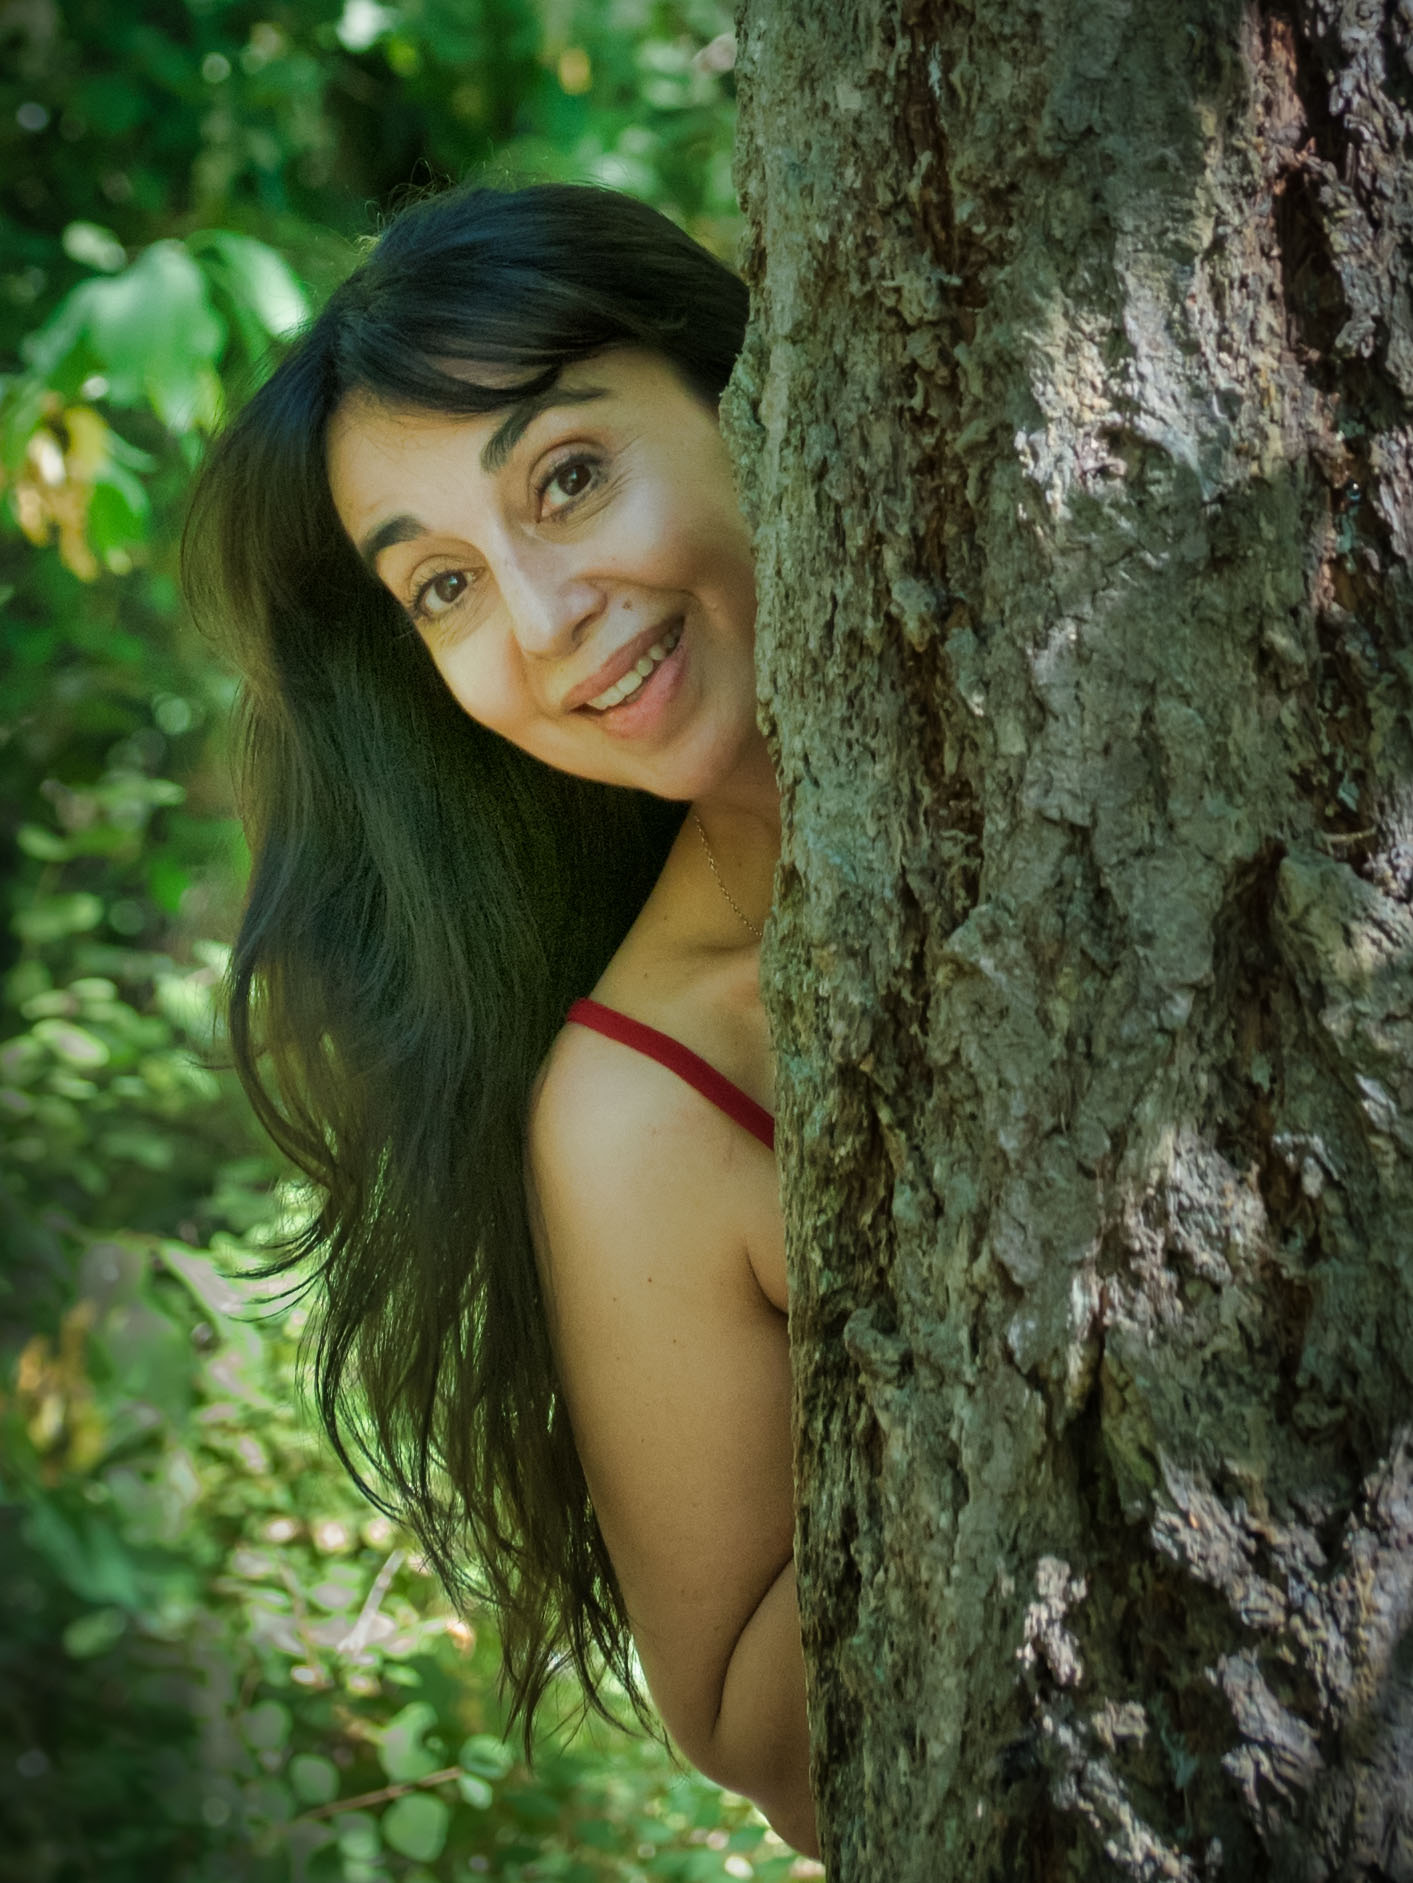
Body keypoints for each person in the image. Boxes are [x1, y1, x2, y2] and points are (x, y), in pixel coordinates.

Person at [183, 183, 816, 1854]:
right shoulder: (645, 1101)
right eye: (445, 587)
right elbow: (753, 1733)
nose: (542, 625)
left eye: (570, 478)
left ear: (752, 391)